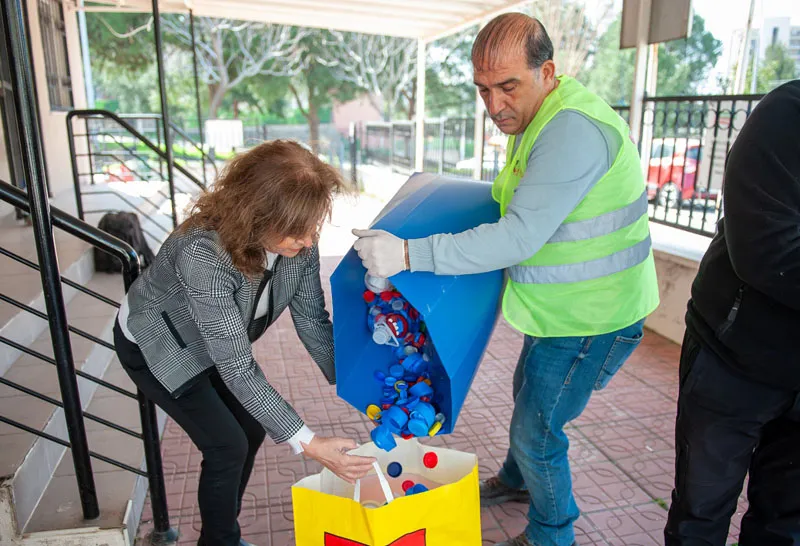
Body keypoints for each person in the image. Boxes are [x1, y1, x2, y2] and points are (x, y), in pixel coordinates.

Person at [352, 13, 659, 546]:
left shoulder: (572, 132)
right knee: (527, 400)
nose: (494, 105)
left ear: (547, 72)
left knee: (537, 431)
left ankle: (550, 535)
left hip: (594, 316)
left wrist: (406, 253)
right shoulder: (536, 116)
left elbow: (517, 236)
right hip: (558, 310)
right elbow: (508, 202)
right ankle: (518, 483)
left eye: (508, 86)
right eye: (483, 89)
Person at [113, 140, 375, 546]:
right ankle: (219, 542)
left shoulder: (299, 239)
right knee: (227, 445)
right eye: (297, 231)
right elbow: (236, 366)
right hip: (159, 344)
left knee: (250, 431)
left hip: (216, 342)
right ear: (255, 215)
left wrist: (359, 387)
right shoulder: (203, 252)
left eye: (312, 227)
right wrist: (310, 443)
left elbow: (311, 319)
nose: (308, 241)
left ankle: (223, 537)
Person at [664, 81, 800, 545]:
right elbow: (769, 252)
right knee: (700, 514)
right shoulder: (788, 112)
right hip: (733, 361)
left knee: (785, 524)